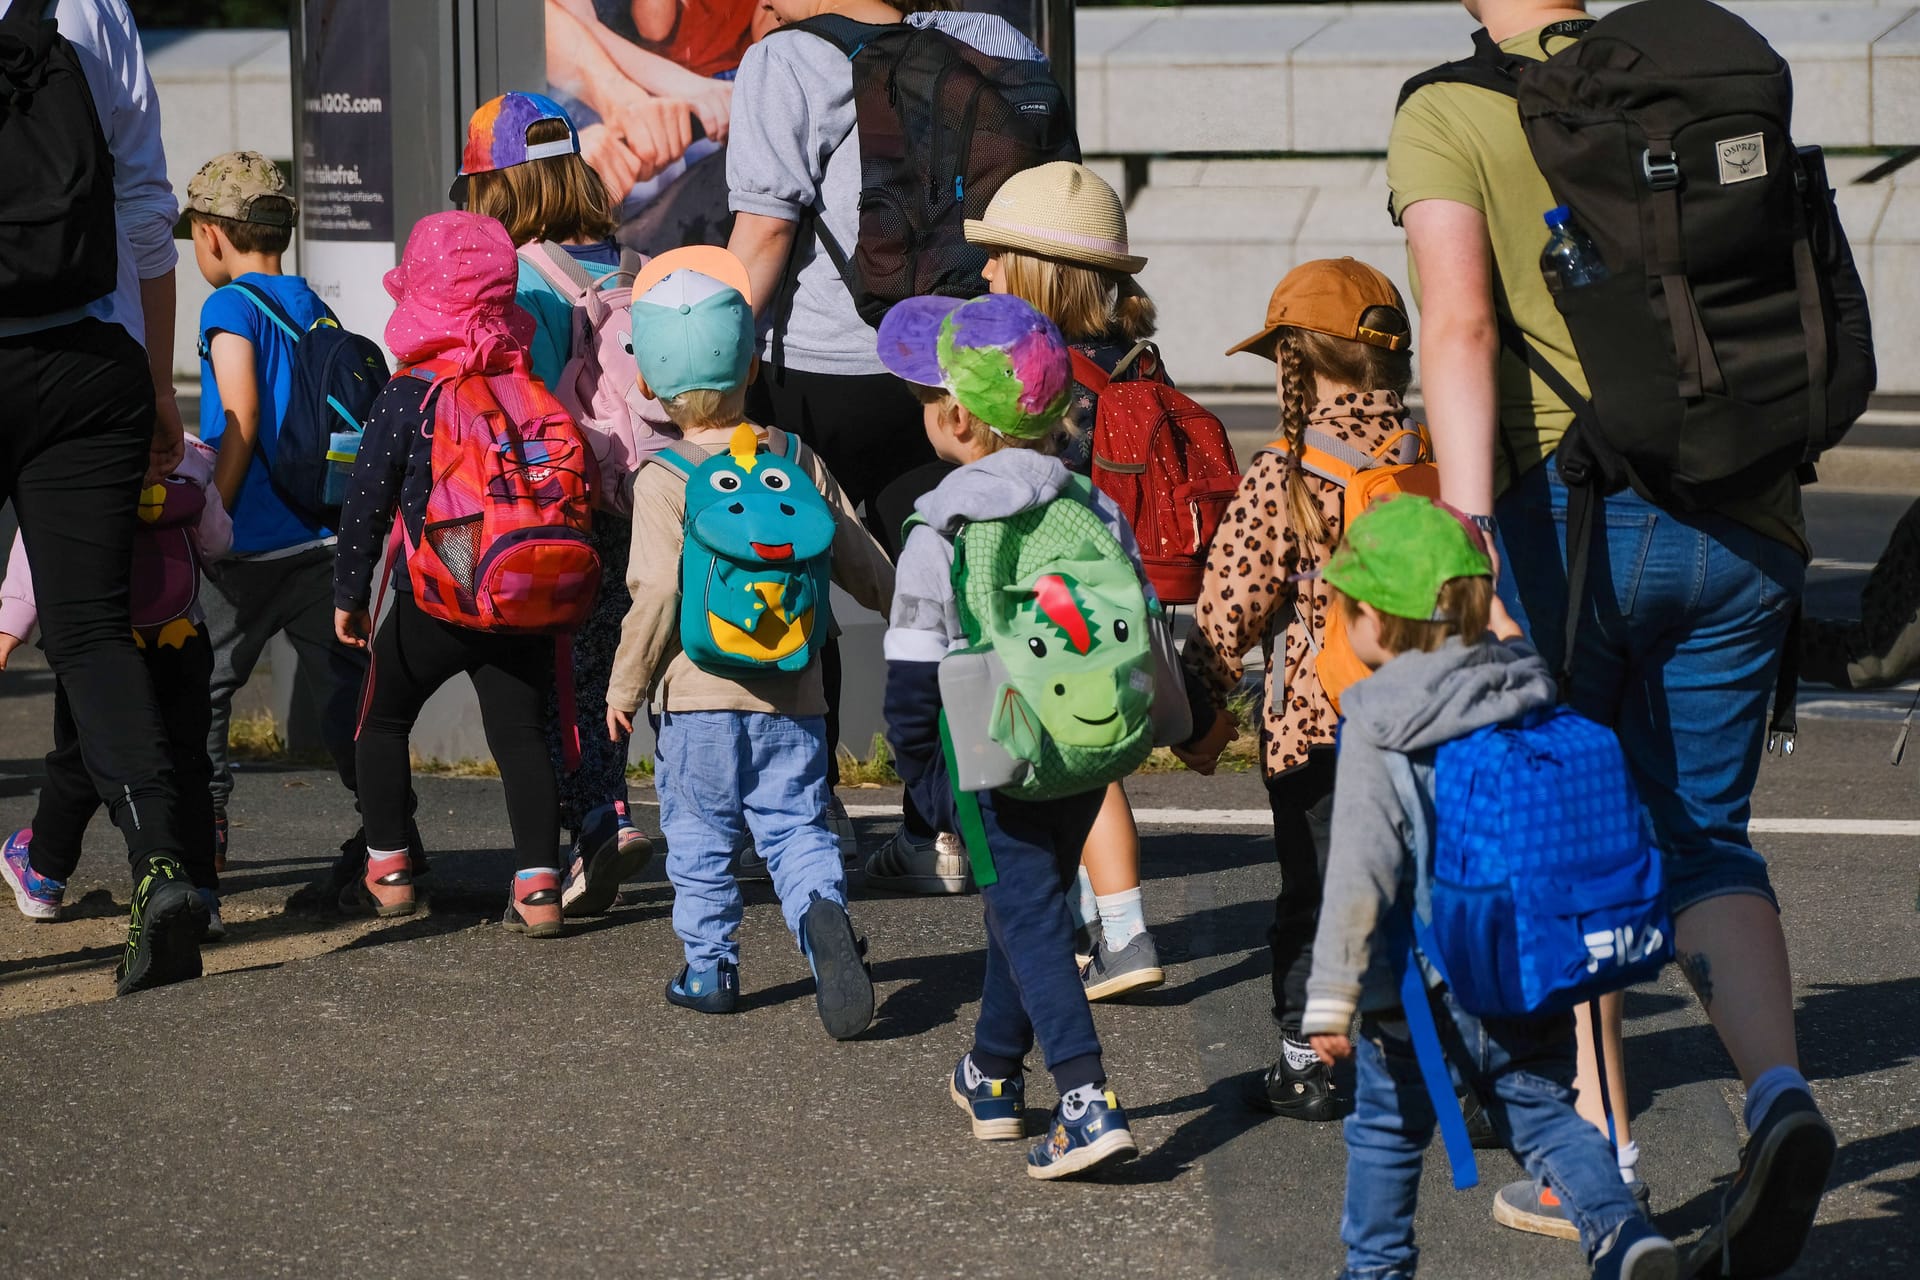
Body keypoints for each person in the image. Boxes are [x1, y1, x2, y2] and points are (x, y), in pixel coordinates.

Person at [1393, 0, 1834, 1263]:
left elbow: (1461, 323)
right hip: (1749, 518)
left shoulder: (1452, 108)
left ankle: (1607, 1152)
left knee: (1575, 834)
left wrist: (1469, 537)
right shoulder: (1695, 74)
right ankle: (1780, 1098)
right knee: (1706, 838)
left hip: (1572, 522)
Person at [1300, 495, 1675, 1280]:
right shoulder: (1521, 685)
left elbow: (1360, 871)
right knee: (1540, 1112)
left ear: (1372, 614)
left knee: (1386, 1128)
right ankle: (1618, 1231)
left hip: (1420, 983)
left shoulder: (1380, 721)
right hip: (1524, 953)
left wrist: (1332, 996)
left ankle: (1375, 1269)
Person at [726, 0, 1049, 855]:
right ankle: (956, 829)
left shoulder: (786, 59)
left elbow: (763, 234)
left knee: (791, 594)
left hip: (820, 377)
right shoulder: (992, 41)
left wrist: (710, 368)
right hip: (955, 373)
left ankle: (808, 819)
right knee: (962, 597)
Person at [879, 292, 1143, 1180]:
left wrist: (924, 784)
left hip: (993, 750)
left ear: (956, 414)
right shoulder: (1094, 506)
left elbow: (913, 680)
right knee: (1022, 910)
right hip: (1089, 739)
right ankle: (991, 1074)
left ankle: (1085, 1096)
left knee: (1031, 920)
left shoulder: (943, 522)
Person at [604, 246, 893, 1038]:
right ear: (752, 365)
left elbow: (658, 594)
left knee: (698, 834)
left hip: (695, 700)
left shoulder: (662, 477)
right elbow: (861, 560)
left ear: (653, 384)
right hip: (793, 692)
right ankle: (821, 916)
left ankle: (710, 967)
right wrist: (914, 610)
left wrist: (623, 689)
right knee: (796, 825)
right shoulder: (797, 460)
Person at [1179, 258, 1419, 1121]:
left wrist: (1200, 719)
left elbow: (1228, 611)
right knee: (1418, 894)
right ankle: (1445, 1060)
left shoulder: (1289, 473)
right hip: (1427, 729)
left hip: (1317, 735)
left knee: (1315, 898)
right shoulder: (1429, 459)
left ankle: (1304, 1067)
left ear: (1297, 360)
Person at [0, 0, 207, 992]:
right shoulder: (92, 6)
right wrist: (155, 379)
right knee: (89, 634)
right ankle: (161, 866)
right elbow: (145, 205)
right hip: (91, 358)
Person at [946, 159, 1169, 1000]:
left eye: (1000, 256)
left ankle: (1125, 932)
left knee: (1078, 764)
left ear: (1036, 270)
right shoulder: (1131, 356)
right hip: (1120, 581)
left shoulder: (1036, 372)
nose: (987, 271)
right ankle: (1093, 923)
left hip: (1051, 590)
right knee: (1080, 753)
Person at [332, 212, 573, 936]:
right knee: (522, 735)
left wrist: (349, 594)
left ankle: (392, 867)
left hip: (438, 592)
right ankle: (539, 888)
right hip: (519, 590)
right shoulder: (526, 384)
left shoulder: (408, 395)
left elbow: (367, 501)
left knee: (379, 719)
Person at [455, 92, 656, 916]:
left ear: (492, 189)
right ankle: (609, 813)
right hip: (640, 498)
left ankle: (585, 833)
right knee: (611, 669)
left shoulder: (524, 282)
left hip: (557, 507)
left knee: (553, 685)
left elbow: (520, 402)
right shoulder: (633, 265)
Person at [185, 151, 382, 882]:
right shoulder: (312, 303)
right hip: (321, 538)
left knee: (200, 689)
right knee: (348, 692)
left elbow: (240, 414)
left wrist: (211, 511)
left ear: (212, 235)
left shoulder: (227, 306)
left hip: (244, 544)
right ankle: (387, 836)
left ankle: (202, 848)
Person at [0, 437, 231, 937]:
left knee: (81, 758)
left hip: (100, 642)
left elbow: (35, 555)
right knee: (188, 761)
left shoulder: (71, 458)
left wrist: (11, 627)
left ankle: (44, 873)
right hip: (181, 636)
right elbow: (217, 542)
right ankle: (202, 893)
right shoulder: (187, 460)